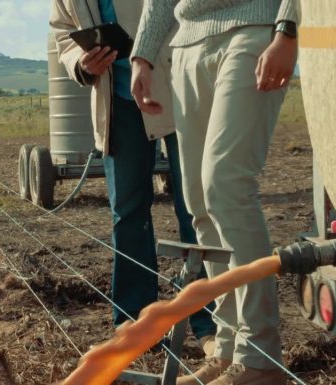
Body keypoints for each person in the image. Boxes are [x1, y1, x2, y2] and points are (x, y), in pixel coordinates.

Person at [130, 1, 299, 384]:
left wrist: (287, 27)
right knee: (198, 203)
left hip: (255, 27)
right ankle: (227, 349)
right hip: (187, 44)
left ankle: (260, 358)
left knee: (226, 186)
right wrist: (142, 54)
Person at [49, 0, 217, 353]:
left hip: (174, 86)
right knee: (127, 213)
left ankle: (209, 320)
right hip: (117, 100)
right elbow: (62, 34)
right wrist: (80, 63)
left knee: (193, 205)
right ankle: (135, 320)